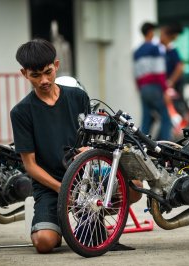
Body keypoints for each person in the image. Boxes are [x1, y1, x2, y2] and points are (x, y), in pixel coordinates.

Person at [11, 39, 142, 253]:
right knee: (44, 243)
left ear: (57, 65)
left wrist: (89, 150)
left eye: (48, 72)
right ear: (24, 74)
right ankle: (61, 223)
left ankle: (92, 216)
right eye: (35, 75)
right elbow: (30, 166)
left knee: (134, 186)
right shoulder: (21, 112)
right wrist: (63, 190)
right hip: (51, 185)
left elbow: (94, 140)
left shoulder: (77, 96)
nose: (44, 80)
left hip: (87, 178)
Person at [133, 22, 172, 140]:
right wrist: (166, 91)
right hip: (155, 88)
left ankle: (139, 147)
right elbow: (160, 72)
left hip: (144, 89)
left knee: (146, 119)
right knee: (166, 119)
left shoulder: (137, 52)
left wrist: (141, 89)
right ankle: (166, 148)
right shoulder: (155, 49)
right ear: (150, 32)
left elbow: (136, 75)